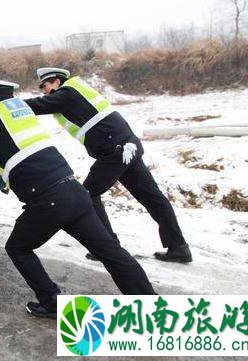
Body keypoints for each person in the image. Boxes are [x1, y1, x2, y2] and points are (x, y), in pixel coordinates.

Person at [0, 77, 156, 319]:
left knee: (17, 248)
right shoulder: (19, 112)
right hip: (73, 191)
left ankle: (51, 301)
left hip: (48, 202)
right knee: (112, 254)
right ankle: (150, 305)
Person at [24, 68, 192, 263]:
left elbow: (39, 105)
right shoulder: (76, 89)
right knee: (153, 197)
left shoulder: (67, 93)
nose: (43, 91)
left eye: (44, 86)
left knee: (86, 194)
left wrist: (9, 106)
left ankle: (107, 247)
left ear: (55, 82)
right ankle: (179, 247)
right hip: (127, 145)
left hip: (114, 150)